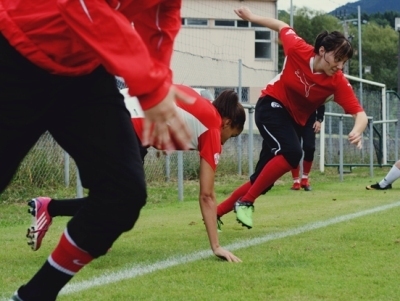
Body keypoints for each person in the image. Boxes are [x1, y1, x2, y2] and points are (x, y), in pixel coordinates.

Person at [0, 1, 199, 300]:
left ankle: (34, 296)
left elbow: (162, 17)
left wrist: (158, 76)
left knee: (124, 193)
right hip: (17, 47)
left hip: (84, 73)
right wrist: (147, 82)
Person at [26, 85, 245, 262]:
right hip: (125, 125)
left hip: (117, 114)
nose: (226, 141)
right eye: (232, 135)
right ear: (227, 122)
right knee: (124, 198)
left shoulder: (204, 104)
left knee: (120, 198)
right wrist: (216, 246)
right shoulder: (213, 127)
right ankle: (50, 208)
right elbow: (207, 195)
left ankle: (94, 227)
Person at [216, 6, 368, 230]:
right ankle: (246, 202)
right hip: (270, 105)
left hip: (293, 122)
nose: (340, 66)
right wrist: (251, 17)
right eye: (337, 58)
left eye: (344, 62)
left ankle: (215, 212)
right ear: (322, 51)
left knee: (261, 180)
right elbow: (281, 26)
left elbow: (360, 114)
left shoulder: (337, 82)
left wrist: (358, 129)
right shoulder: (298, 48)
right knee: (293, 152)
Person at [290, 105, 325, 191]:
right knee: (293, 150)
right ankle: (296, 181)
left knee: (310, 147)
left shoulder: (314, 91)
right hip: (293, 120)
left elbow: (320, 101)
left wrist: (319, 120)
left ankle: (305, 179)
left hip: (310, 121)